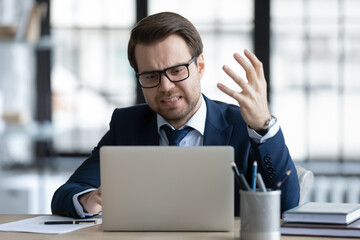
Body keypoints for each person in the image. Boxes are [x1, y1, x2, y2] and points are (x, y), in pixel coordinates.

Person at [51, 12, 300, 218]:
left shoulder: (242, 124)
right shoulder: (127, 124)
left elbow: (288, 205)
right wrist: (91, 199)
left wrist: (263, 127)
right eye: (151, 76)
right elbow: (66, 194)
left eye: (177, 70)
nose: (166, 86)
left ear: (200, 67)